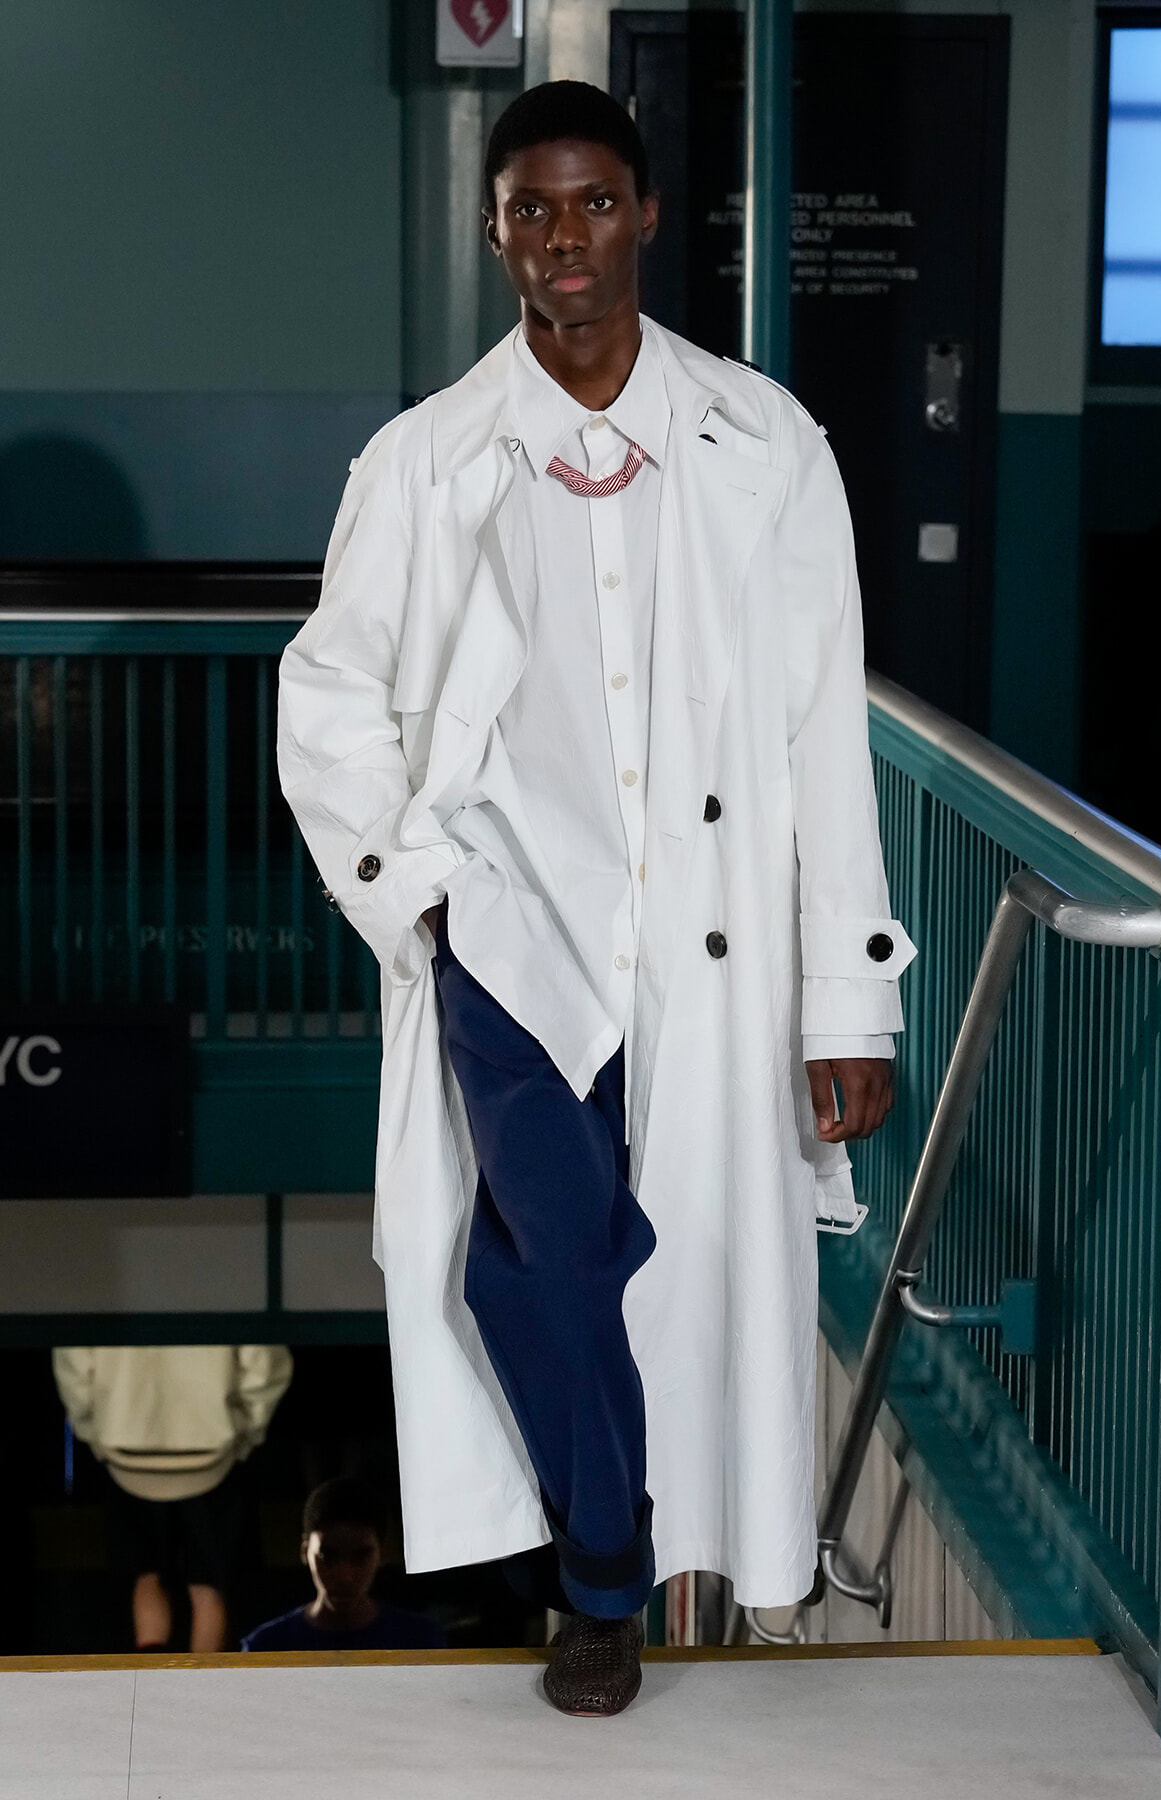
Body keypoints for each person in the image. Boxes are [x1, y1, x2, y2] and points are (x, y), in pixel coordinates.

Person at [277, 80, 915, 1716]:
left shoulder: (766, 444)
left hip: (706, 949)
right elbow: (329, 692)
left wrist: (847, 993)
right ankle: (604, 1577)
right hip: (507, 929)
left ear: (640, 214)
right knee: (544, 1265)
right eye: (531, 212)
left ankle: (628, 1546)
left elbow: (818, 726)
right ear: (495, 233)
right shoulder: (425, 463)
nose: (565, 239)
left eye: (594, 205)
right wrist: (413, 892)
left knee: (641, 1263)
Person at [53, 1344, 293, 1652]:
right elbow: (264, 1363)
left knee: (147, 1575)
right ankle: (203, 1696)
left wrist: (95, 1432)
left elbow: (72, 1363)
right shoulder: (228, 1291)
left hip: (126, 1453)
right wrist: (245, 1434)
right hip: (211, 1453)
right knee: (208, 1585)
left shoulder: (94, 1292)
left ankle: (152, 1691)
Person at [241, 1476, 446, 1652]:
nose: (344, 1576)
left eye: (360, 1557)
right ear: (305, 1552)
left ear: (382, 1554)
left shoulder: (420, 1642)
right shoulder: (265, 1647)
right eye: (326, 1556)